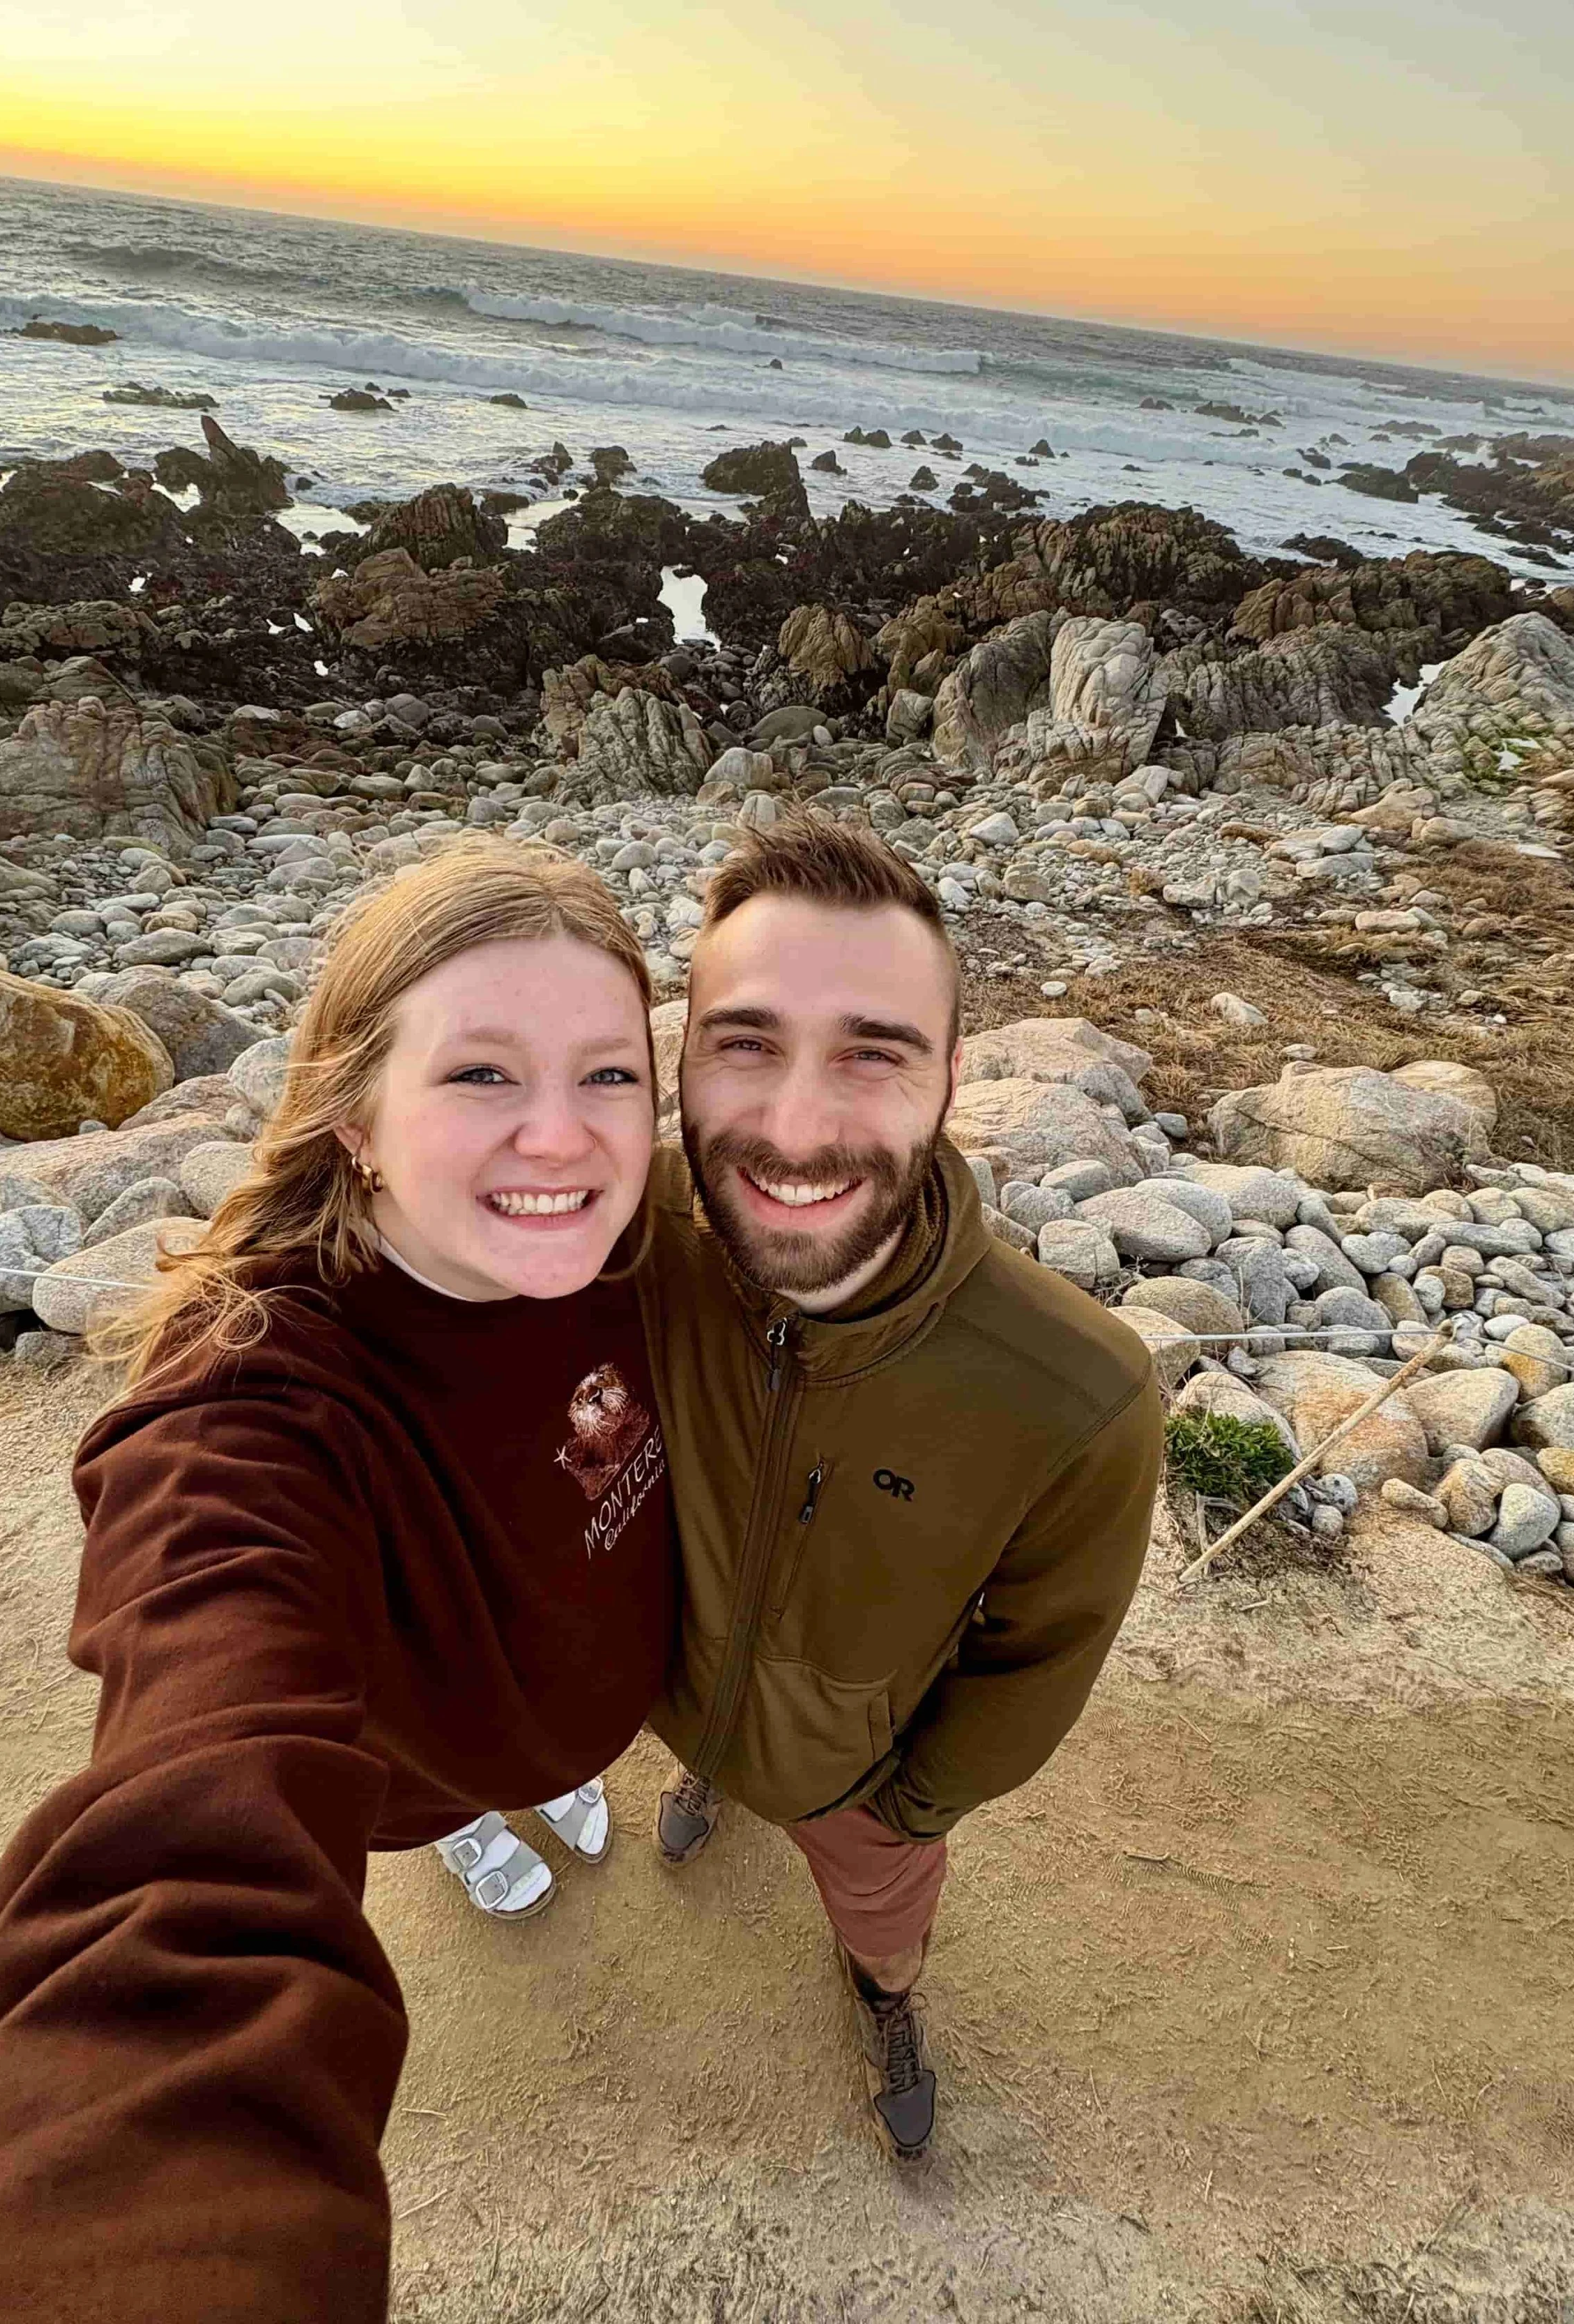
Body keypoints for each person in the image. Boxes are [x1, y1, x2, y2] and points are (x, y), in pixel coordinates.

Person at [0, 840, 673, 2321]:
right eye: (481, 1075)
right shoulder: (247, 1407)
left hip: (575, 1675)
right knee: (449, 1793)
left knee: (549, 1749)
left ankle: (545, 1773)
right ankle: (465, 1827)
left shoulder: (636, 1239)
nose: (561, 1138)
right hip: (414, 1758)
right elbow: (190, 1819)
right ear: (354, 1117)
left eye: (610, 1076)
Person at [636, 810, 1163, 2162]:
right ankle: (706, 1778)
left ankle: (883, 1997)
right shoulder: (617, 1245)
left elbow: (1035, 1661)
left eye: (872, 1053)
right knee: (707, 1753)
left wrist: (907, 1809)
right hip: (666, 1695)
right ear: (677, 1057)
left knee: (881, 1920)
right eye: (743, 1043)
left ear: (948, 1081)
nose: (798, 1128)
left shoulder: (1076, 1393)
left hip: (855, 1776)